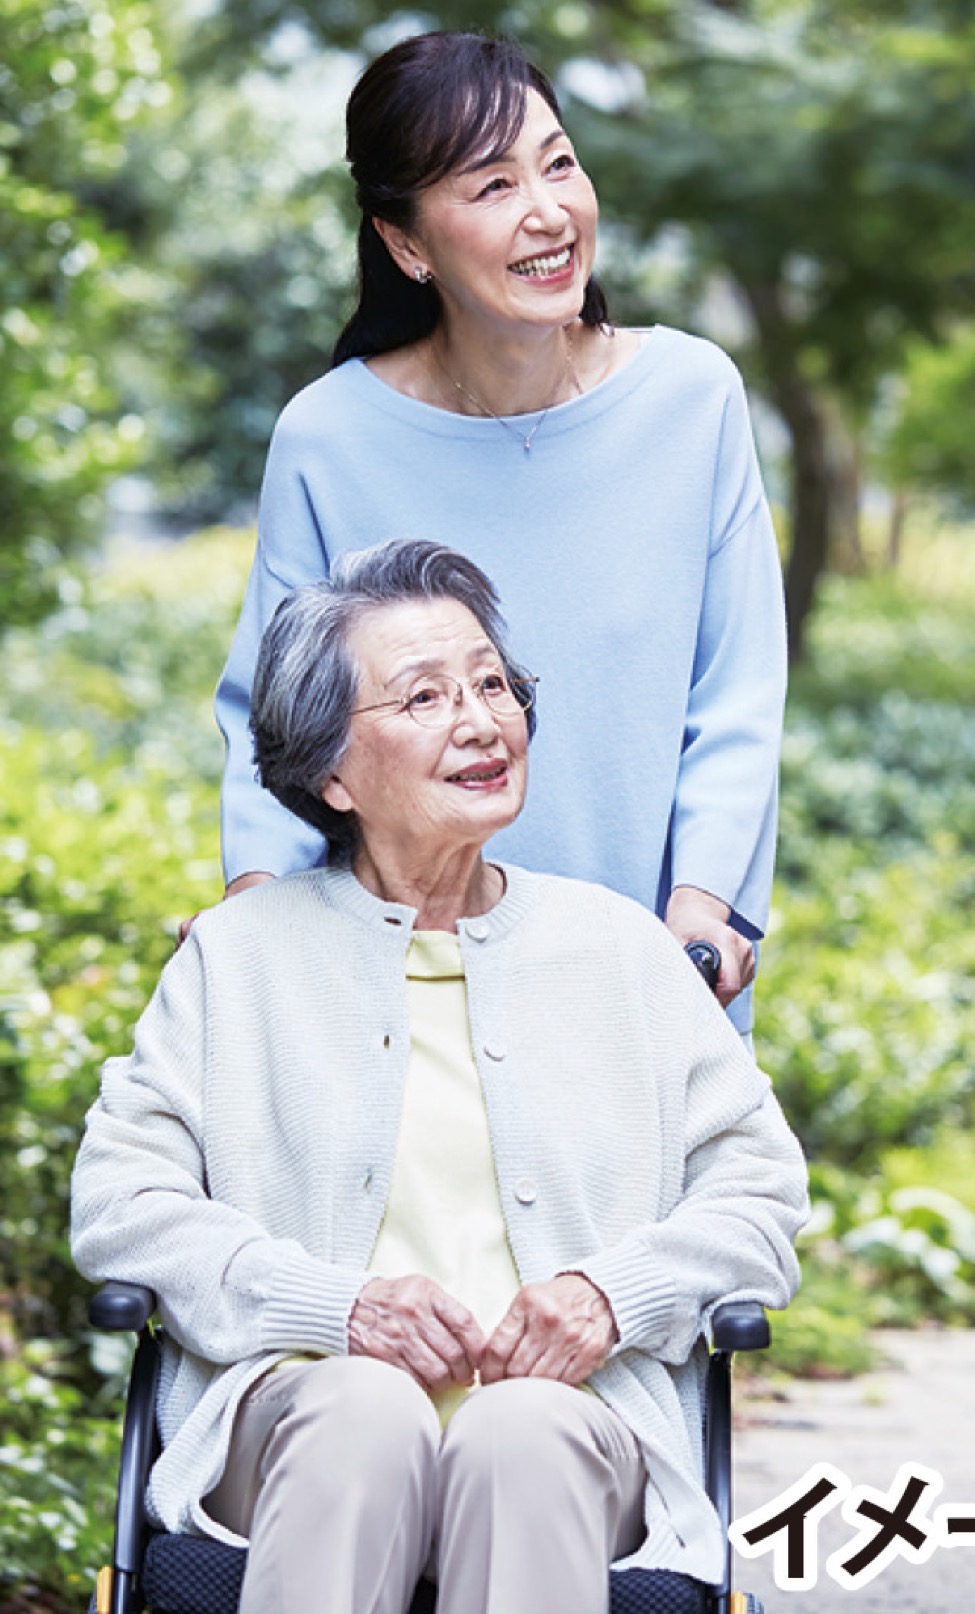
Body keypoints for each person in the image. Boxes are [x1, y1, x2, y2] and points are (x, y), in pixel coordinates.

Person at [72, 540, 808, 1614]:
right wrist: (335, 1309)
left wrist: (613, 1297)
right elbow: (121, 1205)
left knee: (523, 1430)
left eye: (493, 685)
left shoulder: (622, 951)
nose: (481, 721)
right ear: (330, 772)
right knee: (361, 1411)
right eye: (425, 696)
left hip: (577, 1430)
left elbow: (761, 1194)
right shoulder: (237, 959)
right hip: (296, 1428)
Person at [213, 29, 787, 1033]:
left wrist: (703, 908)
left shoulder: (692, 398)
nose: (548, 211)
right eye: (492, 186)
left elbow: (735, 697)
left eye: (558, 164)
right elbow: (281, 726)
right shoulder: (329, 437)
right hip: (400, 997)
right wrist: (255, 915)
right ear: (406, 243)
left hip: (653, 987)